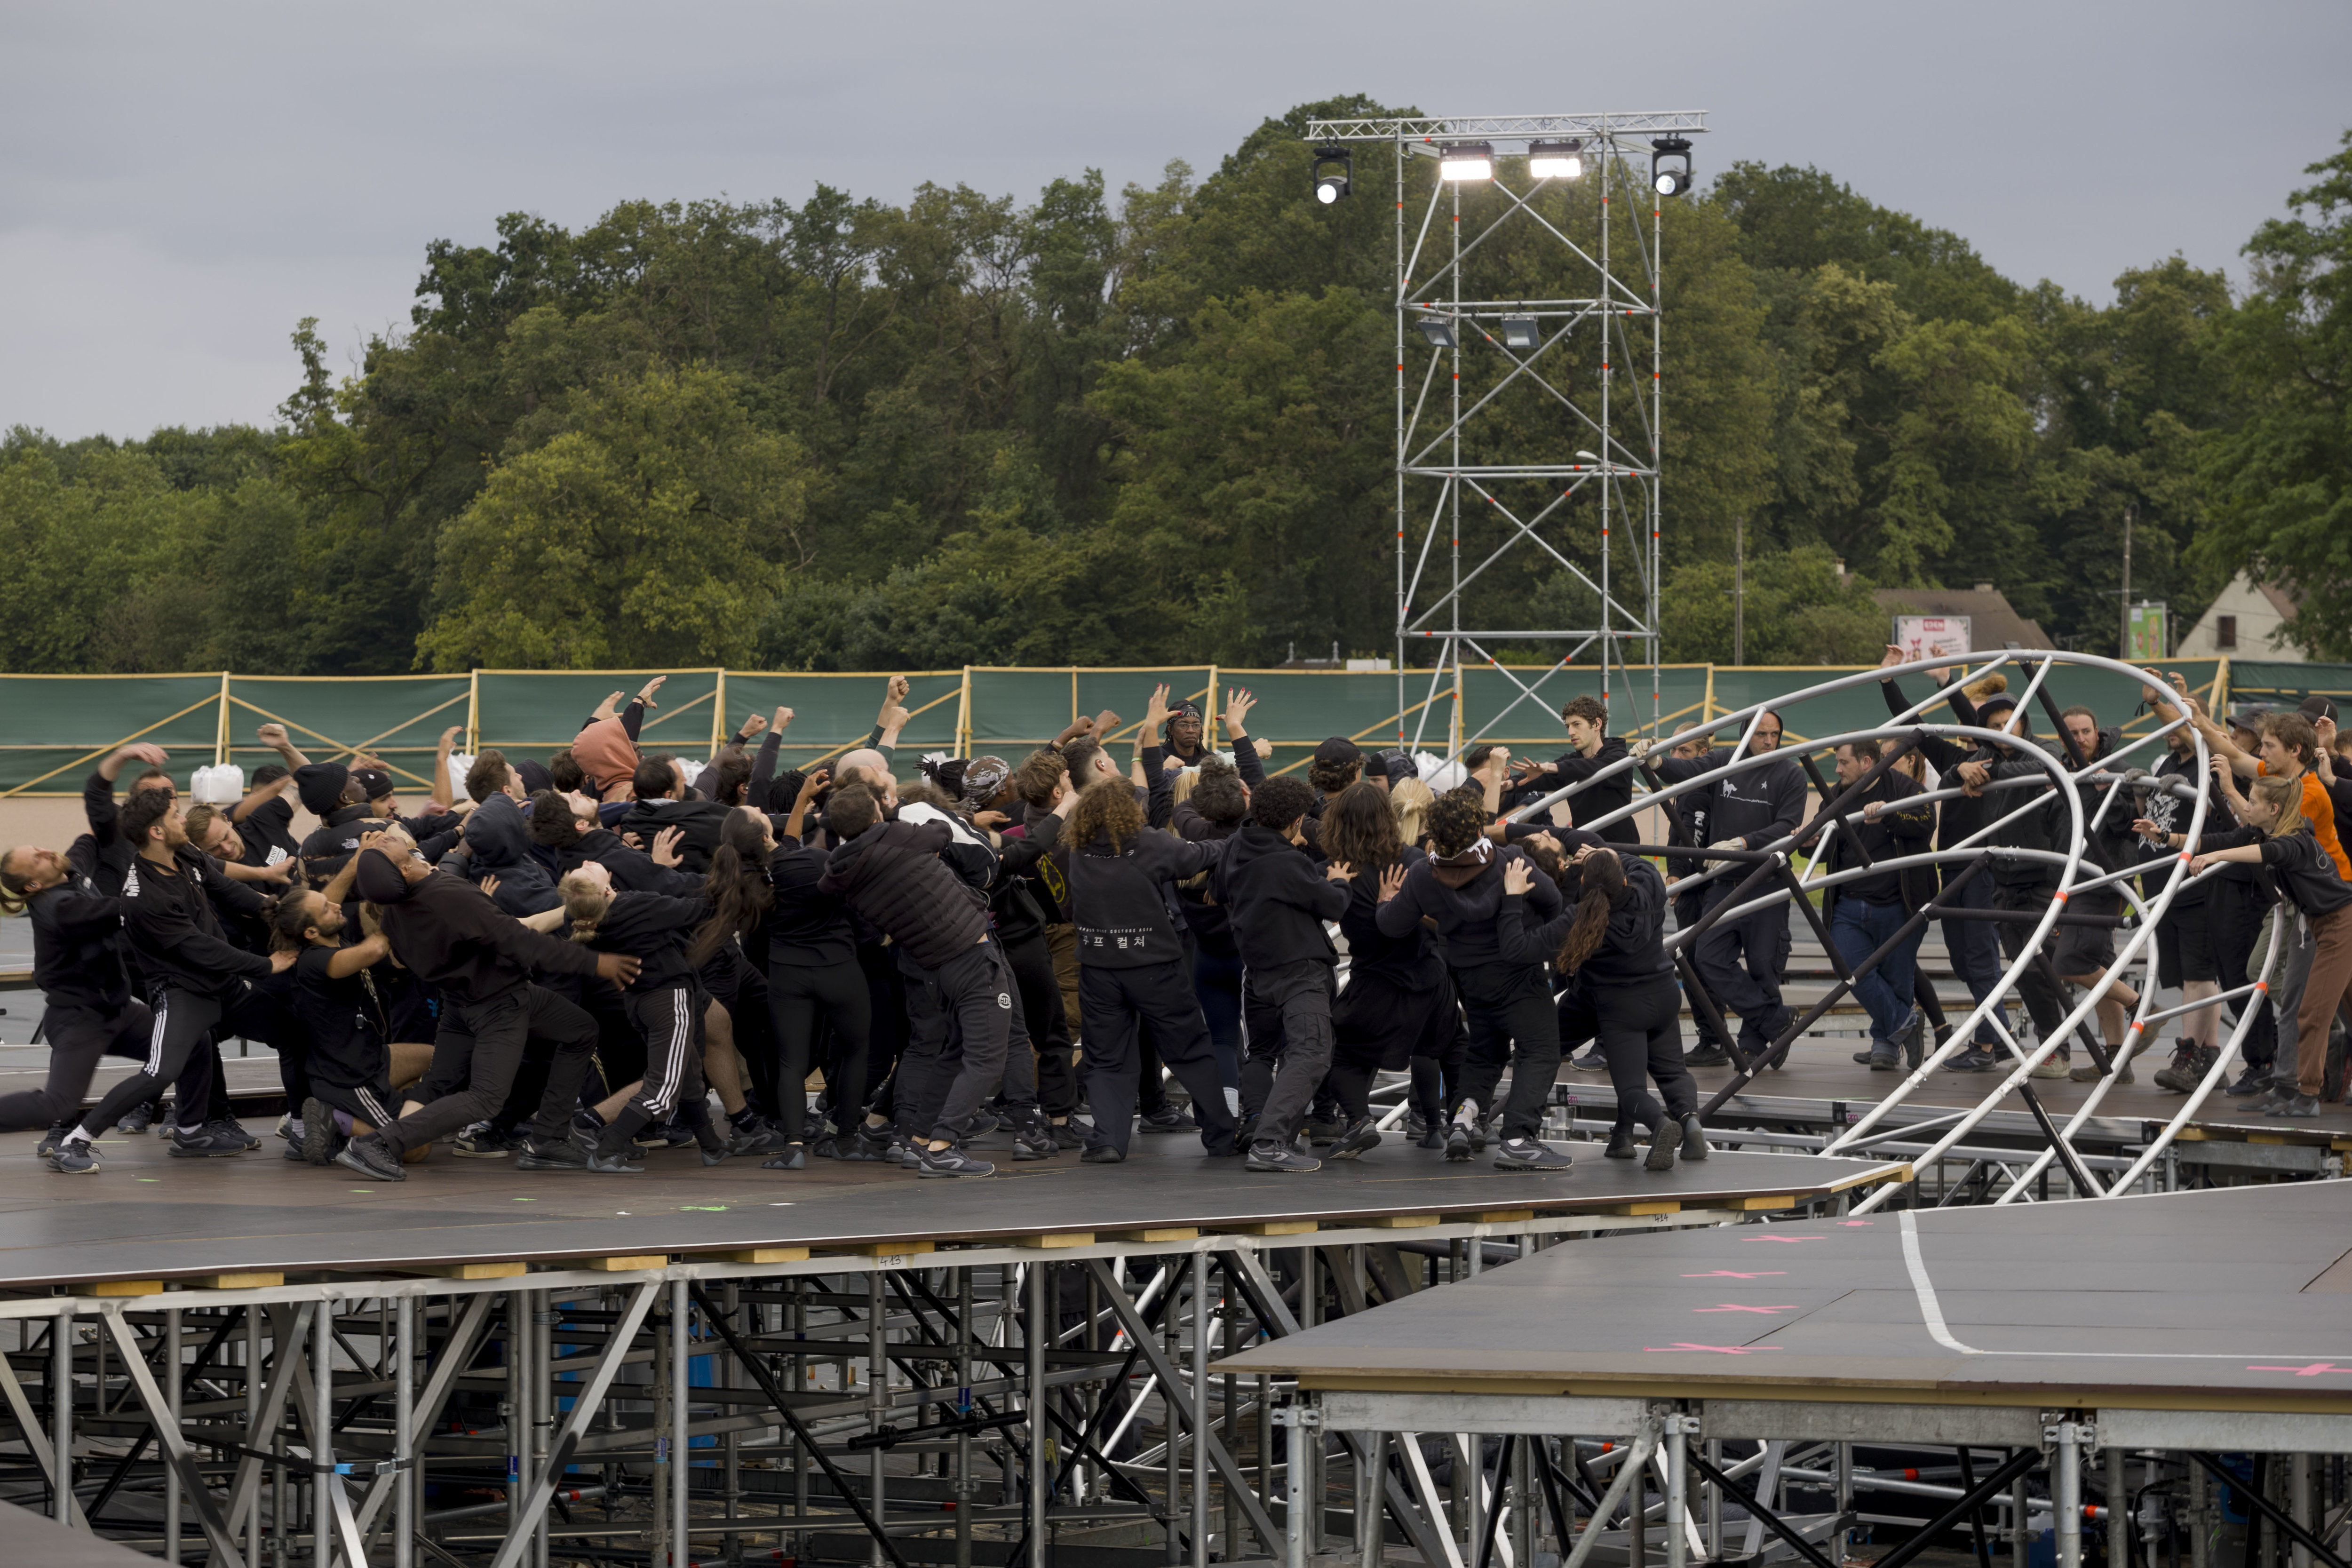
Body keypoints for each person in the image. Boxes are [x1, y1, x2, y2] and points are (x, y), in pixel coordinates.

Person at [331, 840, 639, 1181]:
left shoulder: (395, 913)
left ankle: (549, 1139)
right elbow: (521, 941)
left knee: (581, 1030)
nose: (385, 840)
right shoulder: (448, 894)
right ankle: (375, 1144)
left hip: (463, 1004)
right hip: (499, 1003)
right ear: (404, 869)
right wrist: (595, 962)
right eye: (386, 848)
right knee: (487, 1098)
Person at [46, 788, 298, 1172]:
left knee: (292, 1033)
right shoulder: (145, 896)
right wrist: (268, 965)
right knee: (160, 1072)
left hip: (224, 986)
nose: (184, 820)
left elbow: (226, 889)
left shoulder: (186, 854)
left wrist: (279, 910)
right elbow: (202, 949)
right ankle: (75, 1141)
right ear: (157, 832)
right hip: (184, 993)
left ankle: (291, 1127)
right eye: (177, 815)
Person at [816, 783, 1019, 1178]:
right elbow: (941, 832)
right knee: (987, 1054)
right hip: (970, 952)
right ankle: (943, 1145)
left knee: (955, 1050)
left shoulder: (843, 872)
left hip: (931, 966)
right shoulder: (896, 834)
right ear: (877, 814)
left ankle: (921, 1136)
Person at [1374, 788, 1571, 1169]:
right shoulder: (1510, 861)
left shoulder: (1421, 875)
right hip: (1519, 975)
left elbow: (1393, 925)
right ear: (1475, 828)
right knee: (1541, 1051)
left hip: (1471, 979)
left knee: (1485, 1051)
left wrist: (1385, 901)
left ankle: (1463, 1120)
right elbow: (1553, 903)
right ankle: (1518, 1137)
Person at [1063, 776, 1239, 1163]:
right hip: (1155, 966)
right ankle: (1221, 1135)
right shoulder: (1149, 843)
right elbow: (1199, 855)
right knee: (1190, 1050)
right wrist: (1235, 842)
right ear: (1129, 811)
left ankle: (1108, 1139)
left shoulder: (1078, 849)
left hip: (1098, 966)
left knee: (1107, 1059)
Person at [2158, 773, 2352, 1117]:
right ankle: (2288, 1088)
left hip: (2342, 924)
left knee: (2313, 1011)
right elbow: (2216, 839)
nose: (2246, 806)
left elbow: (2265, 852)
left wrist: (2218, 859)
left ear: (2273, 809)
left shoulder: (2294, 841)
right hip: (2320, 924)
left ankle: (2308, 1094)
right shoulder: (2264, 832)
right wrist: (2165, 836)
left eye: (2253, 802)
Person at [1502, 834, 1682, 1169]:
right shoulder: (1649, 889)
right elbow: (1638, 865)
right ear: (1624, 878)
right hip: (1657, 992)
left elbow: (1518, 948)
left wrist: (1513, 898)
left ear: (1582, 880)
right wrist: (1608, 853)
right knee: (1660, 1072)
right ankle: (1651, 1129)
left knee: (1544, 1049)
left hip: (1610, 1003)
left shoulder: (1577, 919)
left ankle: (1508, 1126)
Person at [1649, 710, 1805, 1068]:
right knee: (1707, 957)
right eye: (1761, 734)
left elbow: (1787, 825)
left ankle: (1752, 1043)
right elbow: (1688, 771)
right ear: (1744, 734)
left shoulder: (1790, 773)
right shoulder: (1726, 760)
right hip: (1725, 883)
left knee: (1764, 967)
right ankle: (1777, 1021)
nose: (1768, 741)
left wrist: (1745, 843)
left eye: (1774, 734)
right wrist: (1657, 762)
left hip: (1766, 882)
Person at [1877, 652, 2010, 1071]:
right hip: (1953, 868)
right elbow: (1913, 725)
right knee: (1960, 958)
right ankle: (1999, 1035)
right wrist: (1887, 681)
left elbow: (1971, 724)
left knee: (1980, 957)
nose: (1977, 733)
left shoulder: (2001, 761)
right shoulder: (1954, 759)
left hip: (1981, 869)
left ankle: (1989, 1044)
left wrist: (1946, 683)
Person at [1213, 776, 1352, 1172]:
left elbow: (1220, 889)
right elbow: (1333, 904)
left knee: (1261, 1053)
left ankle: (1257, 1123)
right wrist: (1339, 879)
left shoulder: (1237, 845)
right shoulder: (1287, 862)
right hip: (1299, 970)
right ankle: (1271, 1142)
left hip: (1256, 971)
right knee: (1311, 1052)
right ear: (1294, 821)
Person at [557, 861, 735, 1166]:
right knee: (663, 1087)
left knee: (689, 1071)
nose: (586, 862)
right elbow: (698, 910)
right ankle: (606, 1151)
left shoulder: (578, 917)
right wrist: (730, 882)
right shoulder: (637, 905)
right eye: (585, 872)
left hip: (639, 1002)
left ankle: (711, 1144)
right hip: (669, 998)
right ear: (606, 888)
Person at [1321, 781, 1464, 1156]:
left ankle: (1357, 1119)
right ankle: (1448, 1125)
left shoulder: (1339, 868)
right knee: (1442, 1047)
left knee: (1340, 1051)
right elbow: (1444, 917)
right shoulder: (1415, 858)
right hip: (1428, 974)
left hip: (1377, 980)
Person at [0, 835, 158, 1146]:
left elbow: (90, 840)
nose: (46, 851)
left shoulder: (69, 871)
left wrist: (113, 815)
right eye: (37, 859)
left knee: (196, 1047)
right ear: (33, 885)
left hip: (121, 1011)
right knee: (58, 1104)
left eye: (38, 847)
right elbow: (121, 909)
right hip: (79, 1019)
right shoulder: (57, 907)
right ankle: (70, 1131)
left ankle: (194, 1129)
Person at [273, 881, 434, 1166]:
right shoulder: (315, 961)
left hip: (375, 1059)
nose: (336, 906)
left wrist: (359, 859)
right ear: (311, 932)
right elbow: (373, 950)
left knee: (439, 1061)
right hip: (350, 1078)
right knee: (417, 1149)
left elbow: (328, 903)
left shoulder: (333, 937)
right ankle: (337, 1119)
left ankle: (385, 1113)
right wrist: (396, 908)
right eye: (326, 910)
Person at [1812, 740, 1936, 1070]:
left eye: (1842, 763)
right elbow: (1823, 844)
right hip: (1848, 904)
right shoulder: (1838, 794)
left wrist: (1888, 815)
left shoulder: (1905, 787)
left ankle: (1885, 1044)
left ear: (1866, 762)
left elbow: (1927, 820)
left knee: (1898, 979)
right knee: (1849, 970)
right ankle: (1905, 1021)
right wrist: (1809, 841)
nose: (1837, 770)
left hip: (1899, 903)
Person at [1509, 695, 1637, 845]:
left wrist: (1551, 767)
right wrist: (1509, 784)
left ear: (1597, 724)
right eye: (1568, 727)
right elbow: (1541, 778)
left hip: (1622, 850)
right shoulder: (1570, 763)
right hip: (1585, 847)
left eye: (1577, 725)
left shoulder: (1619, 757)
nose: (1571, 732)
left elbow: (1594, 767)